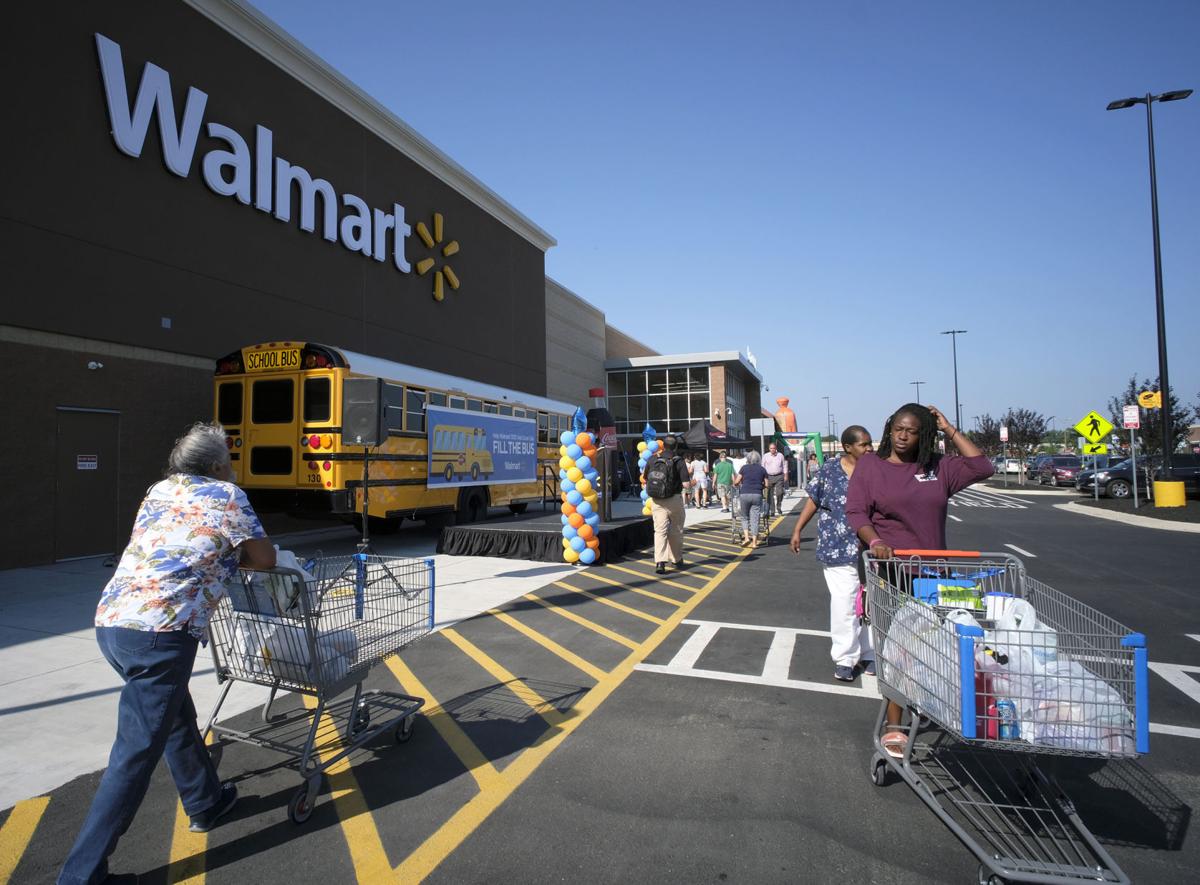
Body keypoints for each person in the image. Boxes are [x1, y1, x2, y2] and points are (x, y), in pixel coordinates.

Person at [60, 423, 276, 885]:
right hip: (162, 634)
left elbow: (173, 543)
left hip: (113, 623)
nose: (232, 467)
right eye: (230, 460)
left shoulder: (160, 489)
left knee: (174, 714)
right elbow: (265, 559)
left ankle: (206, 800)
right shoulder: (226, 494)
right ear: (218, 465)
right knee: (134, 755)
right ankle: (81, 877)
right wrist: (225, 559)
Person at [845, 403, 992, 760]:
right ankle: (893, 724)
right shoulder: (872, 466)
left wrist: (949, 428)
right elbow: (856, 512)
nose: (902, 435)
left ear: (924, 434)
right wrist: (875, 540)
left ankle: (925, 702)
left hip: (934, 574)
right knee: (897, 649)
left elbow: (982, 466)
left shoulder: (938, 468)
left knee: (931, 648)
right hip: (891, 573)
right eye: (897, 428)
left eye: (911, 430)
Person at [790, 425, 875, 682]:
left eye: (870, 443)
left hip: (871, 547)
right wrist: (797, 529)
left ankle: (870, 652)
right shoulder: (829, 470)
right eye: (864, 444)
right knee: (844, 602)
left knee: (871, 602)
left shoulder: (877, 470)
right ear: (847, 447)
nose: (869, 448)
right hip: (836, 545)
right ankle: (845, 658)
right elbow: (813, 500)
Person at [644, 435, 693, 574]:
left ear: (663, 446)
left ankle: (660, 562)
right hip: (674, 499)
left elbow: (645, 477)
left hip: (657, 500)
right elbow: (686, 484)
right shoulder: (679, 461)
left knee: (660, 531)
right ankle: (676, 559)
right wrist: (691, 484)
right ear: (675, 447)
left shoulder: (653, 459)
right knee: (676, 530)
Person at [733, 449, 768, 547]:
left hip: (744, 494)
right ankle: (754, 542)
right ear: (758, 459)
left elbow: (736, 481)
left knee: (744, 517)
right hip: (757, 494)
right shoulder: (762, 469)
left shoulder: (744, 468)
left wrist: (738, 483)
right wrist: (760, 485)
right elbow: (767, 484)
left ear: (748, 459)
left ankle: (747, 538)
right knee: (755, 518)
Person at [762, 441, 788, 518]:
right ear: (769, 449)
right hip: (769, 476)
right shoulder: (765, 456)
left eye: (774, 448)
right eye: (771, 448)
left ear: (776, 448)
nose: (772, 449)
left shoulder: (780, 455)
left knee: (779, 493)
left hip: (779, 476)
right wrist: (763, 477)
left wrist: (786, 475)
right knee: (770, 495)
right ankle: (772, 511)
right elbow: (762, 466)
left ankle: (779, 506)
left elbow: (784, 465)